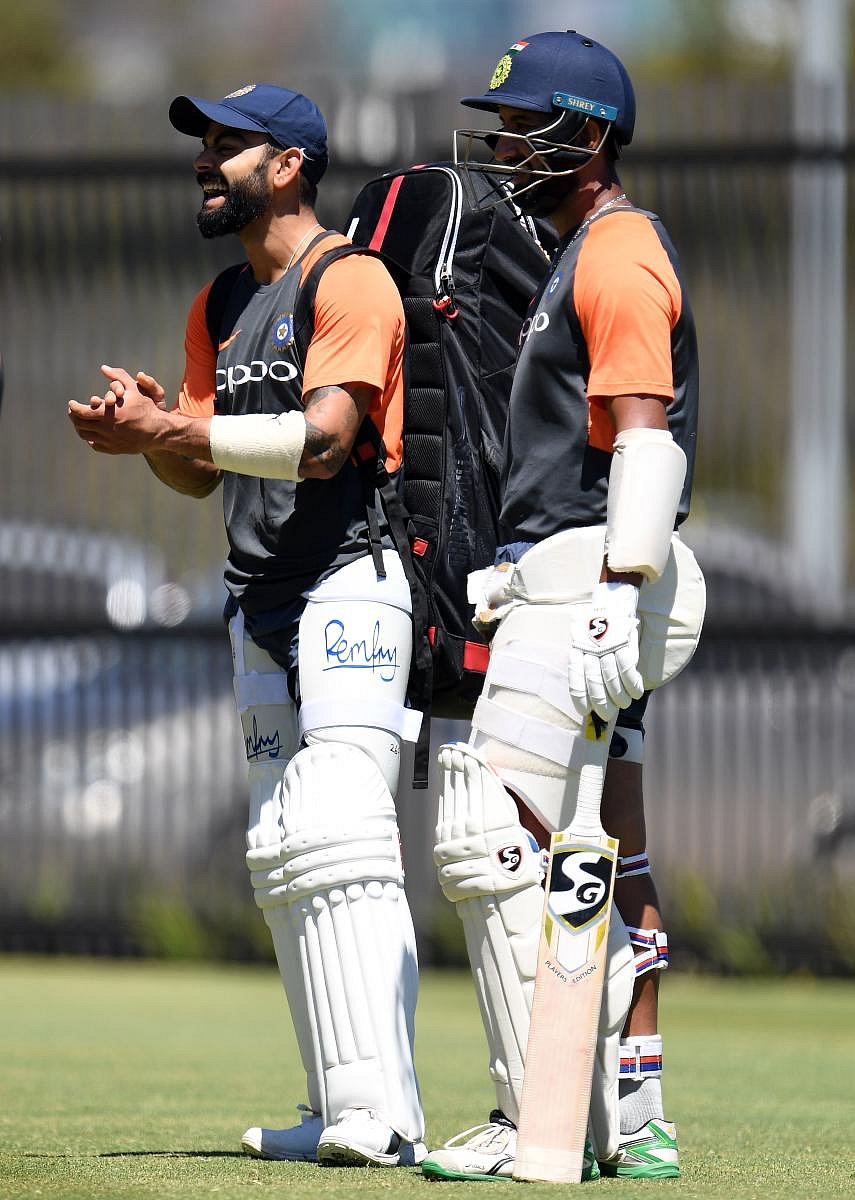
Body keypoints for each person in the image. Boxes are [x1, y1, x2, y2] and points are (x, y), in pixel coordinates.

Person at [68, 82, 427, 1169]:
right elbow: (200, 468)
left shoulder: (350, 279)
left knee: (341, 829)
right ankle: (335, 1103)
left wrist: (179, 423)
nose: (204, 162)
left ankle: (390, 1115)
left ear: (287, 167)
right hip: (257, 596)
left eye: (227, 146)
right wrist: (152, 436)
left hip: (354, 580)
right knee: (281, 852)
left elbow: (324, 443)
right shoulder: (219, 303)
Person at [420, 31, 701, 1182]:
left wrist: (613, 595)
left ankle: (537, 1114)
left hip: (590, 577)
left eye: (523, 127)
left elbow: (646, 433)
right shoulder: (574, 248)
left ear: (587, 137)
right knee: (612, 858)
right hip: (567, 576)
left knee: (499, 844)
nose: (500, 148)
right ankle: (626, 1118)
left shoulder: (618, 252)